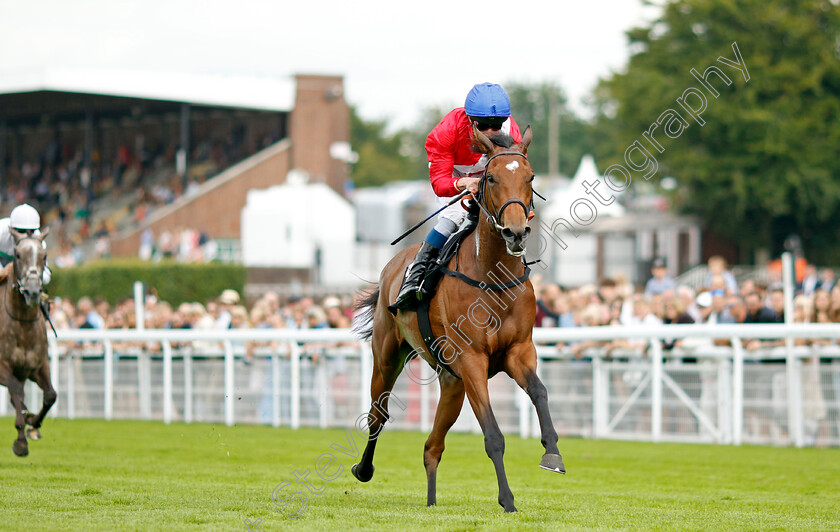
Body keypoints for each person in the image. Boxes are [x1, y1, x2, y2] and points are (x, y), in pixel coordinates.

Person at [393, 82, 523, 309]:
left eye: (496, 125)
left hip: (491, 177)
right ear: (471, 120)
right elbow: (440, 185)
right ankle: (416, 275)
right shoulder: (446, 132)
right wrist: (464, 182)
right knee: (453, 218)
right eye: (484, 126)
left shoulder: (511, 130)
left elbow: (516, 171)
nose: (492, 132)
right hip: (455, 177)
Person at [0, 203, 52, 285]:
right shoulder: (1, 230)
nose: (26, 235)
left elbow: (46, 277)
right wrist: (3, 271)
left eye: (31, 231)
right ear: (12, 229)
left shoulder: (38, 240)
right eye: (22, 231)